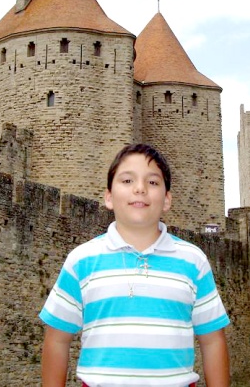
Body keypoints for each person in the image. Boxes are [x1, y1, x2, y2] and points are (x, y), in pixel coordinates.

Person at [39, 144, 230, 387]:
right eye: (127, 180)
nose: (140, 189)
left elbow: (212, 340)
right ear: (109, 197)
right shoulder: (82, 260)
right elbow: (57, 339)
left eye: (152, 183)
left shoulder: (193, 261)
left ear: (167, 199)